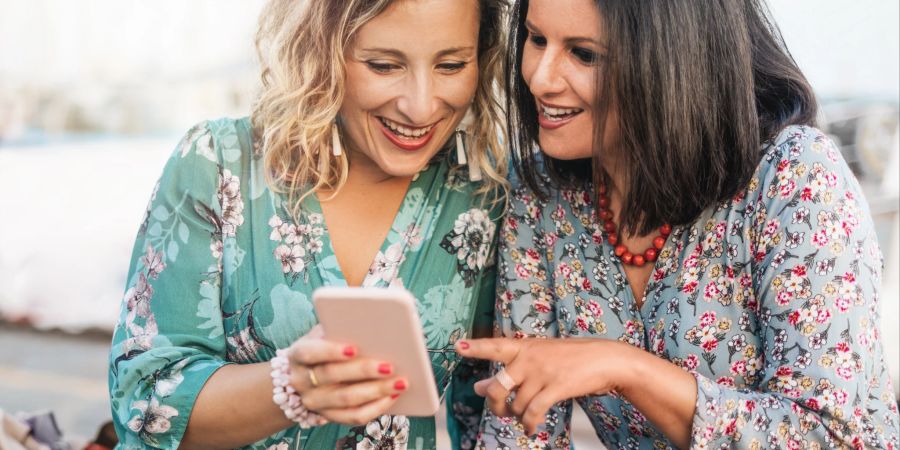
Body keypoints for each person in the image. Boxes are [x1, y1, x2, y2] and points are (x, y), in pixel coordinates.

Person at [455, 0, 900, 448]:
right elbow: (519, 430)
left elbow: (834, 437)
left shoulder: (794, 176)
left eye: (584, 53)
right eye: (537, 39)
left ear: (673, 58)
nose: (540, 77)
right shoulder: (541, 193)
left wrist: (624, 368)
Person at [107, 0, 509, 448]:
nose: (420, 106)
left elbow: (486, 416)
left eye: (451, 65)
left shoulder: (479, 192)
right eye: (383, 65)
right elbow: (144, 404)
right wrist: (291, 388)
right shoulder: (219, 164)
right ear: (320, 49)